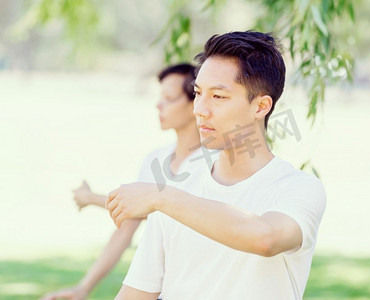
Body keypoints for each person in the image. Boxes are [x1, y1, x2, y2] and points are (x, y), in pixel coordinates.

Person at [107, 31, 327, 300]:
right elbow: (137, 293)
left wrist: (160, 198)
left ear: (261, 107)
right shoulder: (175, 185)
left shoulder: (298, 189)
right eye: (198, 93)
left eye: (218, 97)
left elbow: (265, 238)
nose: (199, 109)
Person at [41, 63, 202, 300]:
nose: (159, 104)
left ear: (195, 103)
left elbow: (167, 207)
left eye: (169, 98)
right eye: (160, 97)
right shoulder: (155, 160)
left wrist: (91, 198)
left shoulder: (218, 161)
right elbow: (126, 228)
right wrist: (82, 288)